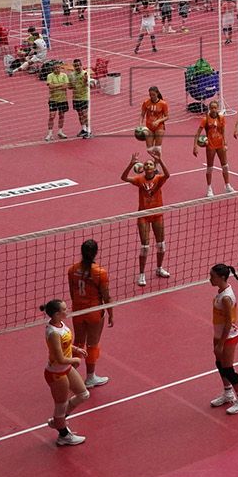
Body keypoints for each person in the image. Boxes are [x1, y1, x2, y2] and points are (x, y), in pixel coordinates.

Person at [66, 239, 113, 390]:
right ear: (96, 253)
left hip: (78, 310)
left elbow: (72, 292)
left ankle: (67, 373)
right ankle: (90, 378)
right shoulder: (100, 272)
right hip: (93, 312)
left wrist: (77, 306)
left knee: (78, 343)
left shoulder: (72, 269)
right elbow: (106, 296)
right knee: (92, 344)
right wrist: (111, 313)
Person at [38, 298, 87, 445]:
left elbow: (65, 345)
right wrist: (75, 360)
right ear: (57, 314)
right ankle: (63, 435)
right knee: (61, 404)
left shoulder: (60, 325)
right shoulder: (53, 332)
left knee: (83, 394)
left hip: (65, 368)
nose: (67, 310)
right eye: (64, 309)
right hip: (56, 372)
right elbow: (59, 358)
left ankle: (58, 421)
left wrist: (76, 349)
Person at [207, 262, 238, 414]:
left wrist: (221, 343)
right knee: (220, 364)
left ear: (222, 277)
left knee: (228, 368)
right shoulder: (222, 291)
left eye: (212, 276)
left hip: (228, 337)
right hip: (219, 335)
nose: (209, 279)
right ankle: (227, 393)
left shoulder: (226, 297)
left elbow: (228, 322)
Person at [122, 146, 170, 285]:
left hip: (157, 214)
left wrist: (160, 161)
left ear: (154, 167)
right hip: (143, 215)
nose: (148, 165)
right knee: (145, 246)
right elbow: (123, 177)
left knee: (161, 244)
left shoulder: (159, 178)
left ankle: (159, 268)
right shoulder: (139, 180)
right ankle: (142, 274)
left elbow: (168, 175)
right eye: (146, 164)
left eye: (150, 163)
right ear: (143, 168)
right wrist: (131, 164)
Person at [193, 100, 230, 191]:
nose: (214, 109)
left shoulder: (221, 118)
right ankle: (209, 188)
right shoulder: (205, 119)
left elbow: (223, 131)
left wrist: (225, 143)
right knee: (210, 167)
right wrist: (195, 146)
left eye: (215, 108)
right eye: (212, 108)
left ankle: (227, 185)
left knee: (225, 165)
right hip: (210, 146)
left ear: (217, 108)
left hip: (220, 144)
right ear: (209, 109)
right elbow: (197, 134)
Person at [69, 60, 92, 140]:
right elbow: (70, 87)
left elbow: (90, 85)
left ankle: (89, 131)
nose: (77, 67)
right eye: (75, 66)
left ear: (81, 65)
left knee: (85, 114)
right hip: (76, 97)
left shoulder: (85, 74)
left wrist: (86, 81)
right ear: (74, 66)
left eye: (79, 65)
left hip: (84, 97)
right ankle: (83, 129)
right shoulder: (71, 75)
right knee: (80, 114)